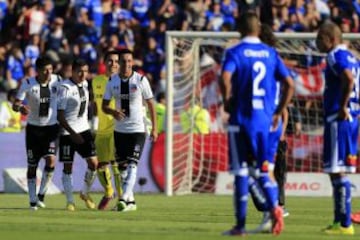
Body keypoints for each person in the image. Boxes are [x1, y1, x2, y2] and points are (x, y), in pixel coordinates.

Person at [220, 12, 294, 235]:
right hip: (266, 122)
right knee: (264, 170)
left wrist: (226, 101)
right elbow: (290, 84)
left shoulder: (235, 52)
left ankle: (240, 226)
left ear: (240, 29)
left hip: (242, 118)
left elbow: (224, 77)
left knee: (241, 172)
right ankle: (275, 208)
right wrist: (279, 111)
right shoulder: (271, 54)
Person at [316, 21, 358, 235]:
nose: (317, 43)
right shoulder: (353, 57)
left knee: (338, 170)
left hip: (339, 118)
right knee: (337, 171)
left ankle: (345, 225)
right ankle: (338, 220)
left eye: (320, 39)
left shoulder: (335, 56)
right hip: (351, 119)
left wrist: (342, 106)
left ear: (331, 39)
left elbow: (349, 80)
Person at [102, 48, 157, 212]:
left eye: (129, 61)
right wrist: (113, 112)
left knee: (133, 164)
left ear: (132, 62)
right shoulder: (112, 82)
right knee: (123, 168)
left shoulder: (140, 80)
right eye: (124, 61)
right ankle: (131, 202)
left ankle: (123, 199)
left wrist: (154, 128)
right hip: (120, 131)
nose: (127, 64)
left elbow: (151, 104)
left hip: (138, 130)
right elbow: (104, 106)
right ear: (119, 63)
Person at [12, 56, 60, 210]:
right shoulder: (27, 83)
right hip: (33, 130)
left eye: (51, 69)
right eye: (45, 70)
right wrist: (21, 108)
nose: (48, 73)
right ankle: (32, 200)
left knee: (51, 160)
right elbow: (15, 104)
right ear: (37, 71)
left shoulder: (58, 80)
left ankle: (41, 195)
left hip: (51, 128)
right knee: (32, 165)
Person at [57, 59, 99, 211]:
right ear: (73, 71)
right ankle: (70, 201)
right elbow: (60, 116)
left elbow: (90, 105)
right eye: (80, 71)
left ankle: (85, 193)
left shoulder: (86, 84)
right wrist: (73, 134)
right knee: (68, 167)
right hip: (67, 133)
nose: (83, 74)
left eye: (85, 71)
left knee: (94, 163)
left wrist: (93, 123)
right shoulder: (64, 88)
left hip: (84, 129)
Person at [91, 50, 122, 210]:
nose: (113, 63)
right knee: (100, 165)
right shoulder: (95, 81)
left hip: (117, 129)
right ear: (104, 62)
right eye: (110, 60)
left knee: (116, 164)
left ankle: (123, 199)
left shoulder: (124, 82)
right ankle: (109, 192)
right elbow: (93, 105)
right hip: (101, 130)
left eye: (116, 61)